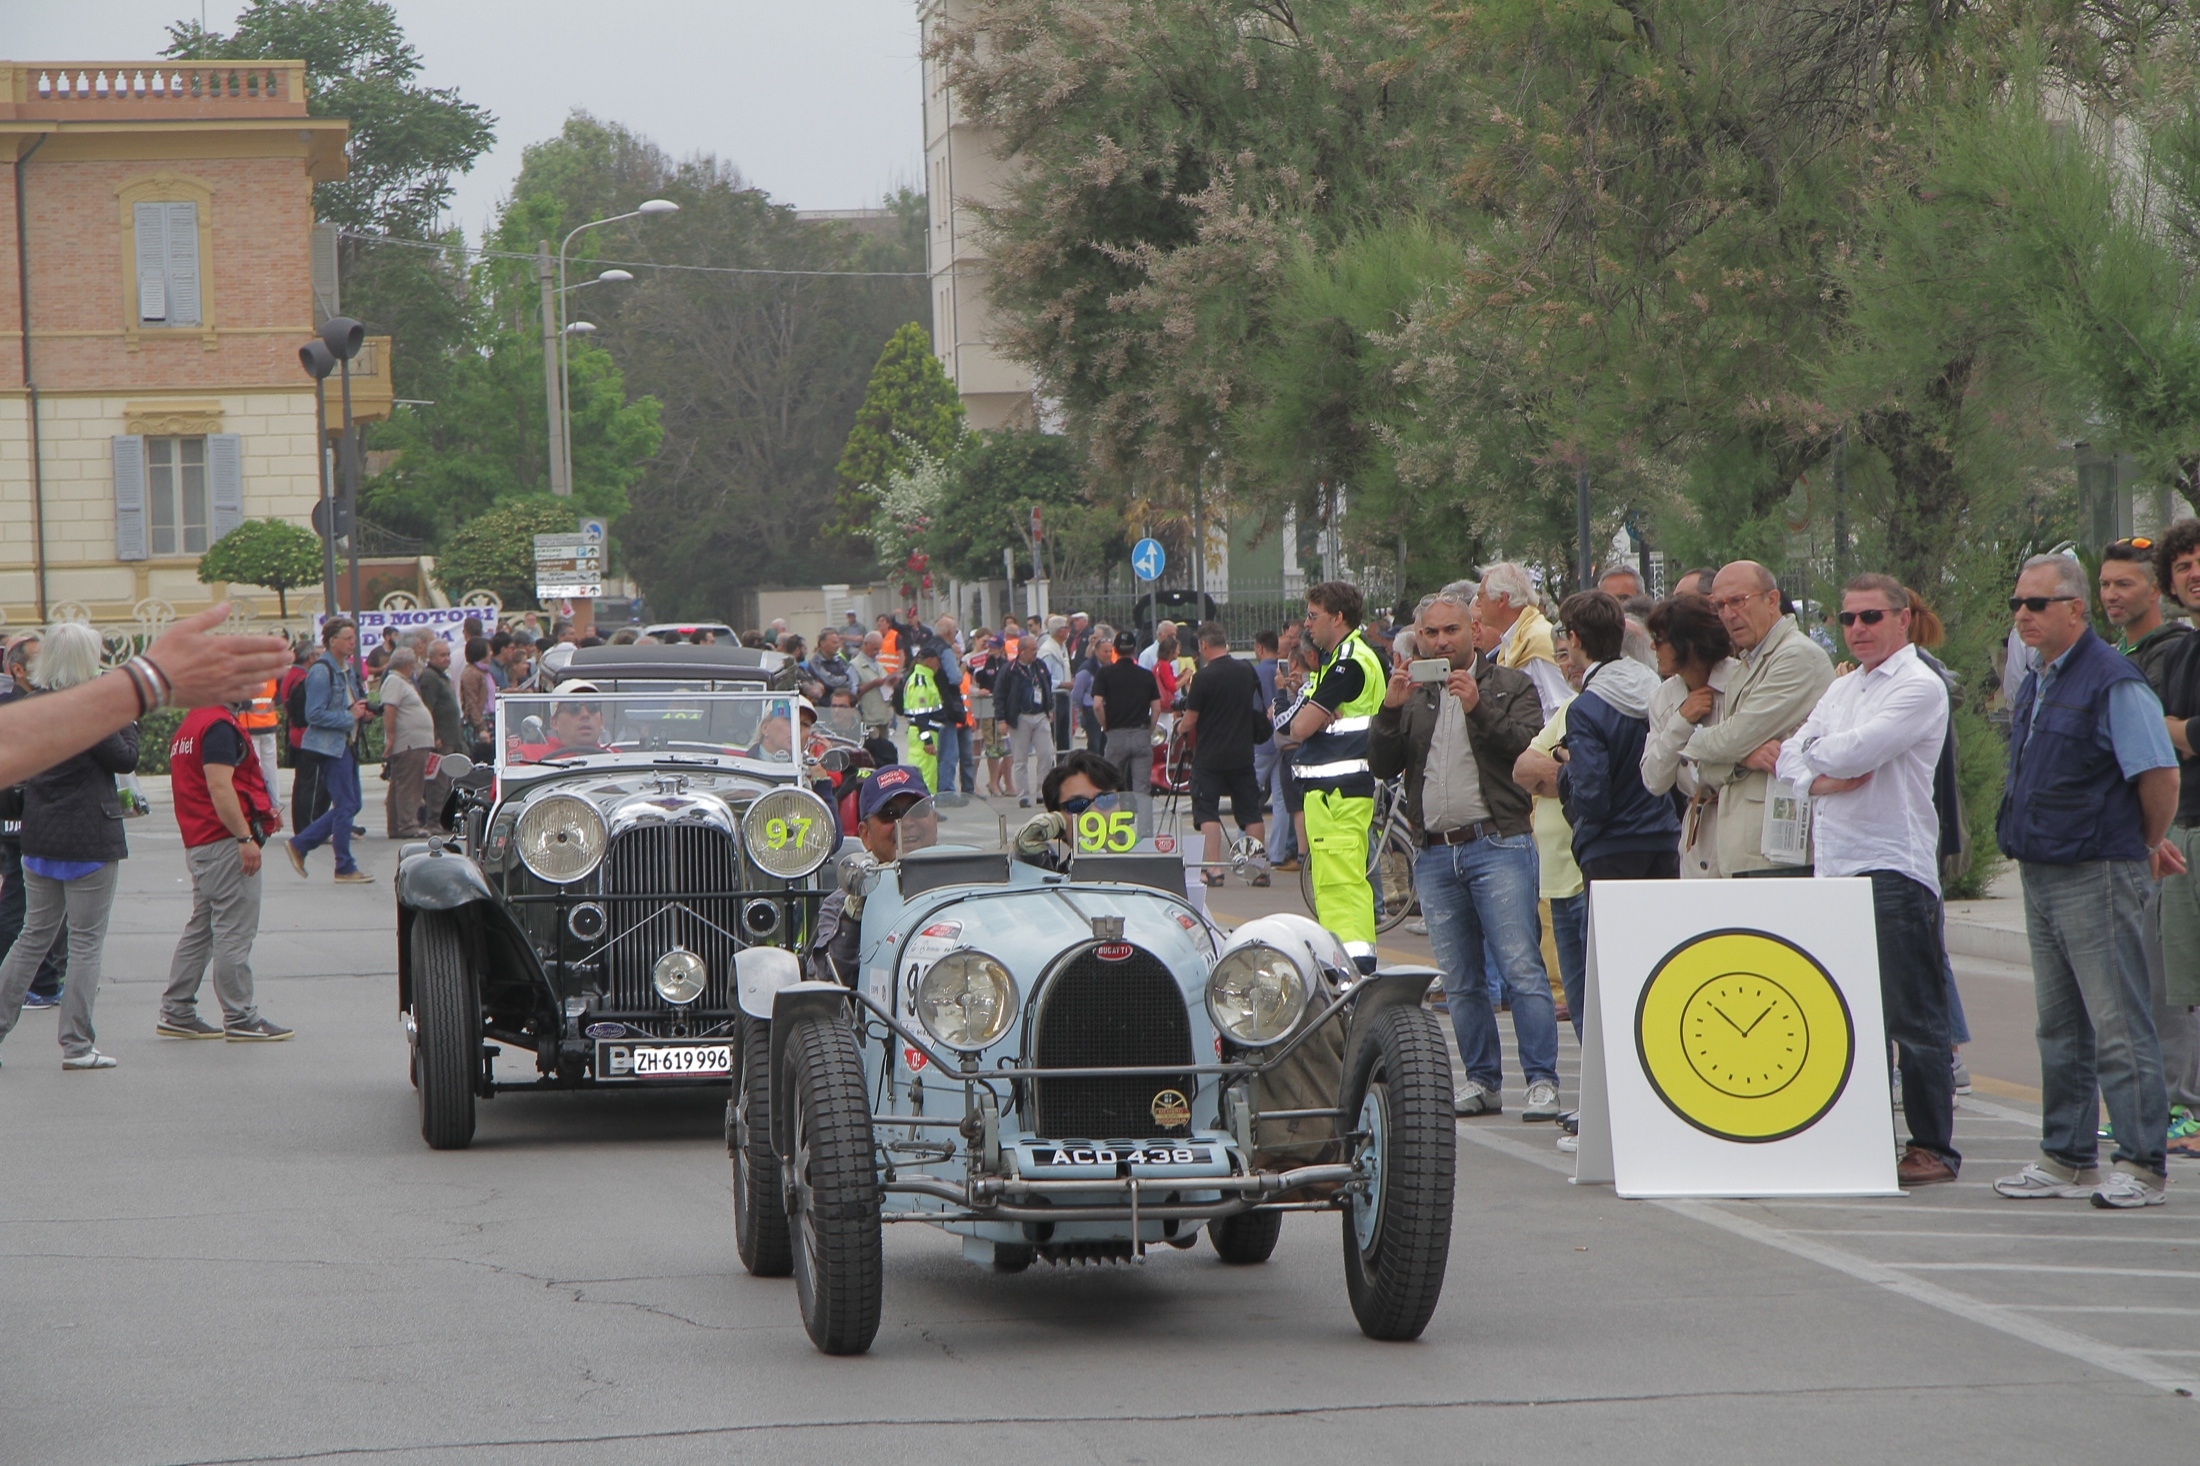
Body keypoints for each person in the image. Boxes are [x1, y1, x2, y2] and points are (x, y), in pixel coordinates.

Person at [1992, 553, 2182, 1209]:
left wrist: (2145, 844)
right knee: (2061, 1024)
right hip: (2042, 868)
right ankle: (2067, 1156)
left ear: (2075, 609)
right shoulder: (2039, 679)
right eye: (2018, 604)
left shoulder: (2111, 681)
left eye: (2036, 604)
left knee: (2118, 1022)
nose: (2023, 615)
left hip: (2095, 870)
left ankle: (2141, 1162)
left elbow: (2158, 774)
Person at [1775, 573, 1960, 1186]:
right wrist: (1819, 773)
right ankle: (1864, 1138)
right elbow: (1791, 756)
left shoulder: (1918, 685)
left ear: (1903, 619)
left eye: (1871, 617)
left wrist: (1819, 761)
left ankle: (1932, 1146)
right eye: (1849, 618)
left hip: (1891, 869)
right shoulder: (1845, 686)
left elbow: (1852, 752)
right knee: (1854, 1015)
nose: (1857, 629)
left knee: (1914, 1018)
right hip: (1835, 868)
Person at [1371, 585, 1553, 1118]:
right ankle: (1481, 1080)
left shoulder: (1510, 684)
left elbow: (1527, 750)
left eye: (1452, 630)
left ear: (1474, 633)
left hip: (1498, 842)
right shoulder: (1416, 695)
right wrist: (1388, 711)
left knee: (1521, 969)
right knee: (1459, 980)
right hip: (1434, 852)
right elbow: (1382, 766)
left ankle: (1542, 1080)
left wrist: (1477, 709)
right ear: (1419, 639)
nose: (1442, 641)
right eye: (1431, 633)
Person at [0, 623, 140, 1070]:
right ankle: (76, 1044)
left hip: (39, 832)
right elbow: (125, 758)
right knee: (84, 943)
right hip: (88, 837)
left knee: (32, 936)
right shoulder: (91, 708)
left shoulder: (31, 703)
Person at [1683, 560, 1836, 877]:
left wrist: (1695, 739)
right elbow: (1707, 770)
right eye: (1719, 606)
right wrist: (1743, 759)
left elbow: (1729, 739)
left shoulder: (1797, 656)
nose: (1727, 614)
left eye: (1737, 601)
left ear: (1771, 599)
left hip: (1779, 853)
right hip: (1745, 852)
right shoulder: (1745, 664)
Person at [159, 695, 291, 1042]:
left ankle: (177, 1010)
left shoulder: (193, 722)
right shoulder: (218, 726)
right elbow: (219, 785)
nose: (256, 685)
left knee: (202, 928)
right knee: (234, 930)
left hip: (202, 841)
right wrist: (244, 837)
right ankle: (240, 1016)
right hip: (223, 842)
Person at [1280, 581, 1389, 973]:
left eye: (1313, 615)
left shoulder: (1348, 662)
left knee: (1342, 885)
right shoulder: (1348, 657)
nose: (1306, 625)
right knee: (1334, 885)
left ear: (1337, 617)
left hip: (1339, 793)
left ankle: (1352, 970)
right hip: (1334, 794)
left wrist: (1312, 708)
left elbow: (1298, 728)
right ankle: (1344, 964)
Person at [1553, 590, 1681, 880]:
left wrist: (1567, 769)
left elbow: (1592, 798)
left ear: (1573, 639)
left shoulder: (1586, 707)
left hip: (1611, 846)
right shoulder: (1655, 686)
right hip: (1665, 836)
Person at [2146, 525, 2200, 1148]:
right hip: (2185, 831)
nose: (2191, 573)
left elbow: (2170, 734)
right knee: (2187, 987)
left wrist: (2173, 729)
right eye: (2182, 565)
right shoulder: (2183, 653)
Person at [1640, 595, 1737, 877]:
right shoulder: (1662, 697)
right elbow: (1654, 781)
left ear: (1689, 644)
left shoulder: (1741, 681)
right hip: (1695, 837)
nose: (1652, 647)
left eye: (1660, 639)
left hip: (1738, 825)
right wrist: (1680, 721)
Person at [809, 764, 931, 985]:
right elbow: (829, 977)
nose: (907, 823)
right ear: (865, 835)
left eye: (919, 809)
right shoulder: (839, 906)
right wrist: (854, 914)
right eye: (890, 814)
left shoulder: (965, 883)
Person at [0, 636, 67, 1010]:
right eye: (39, 661)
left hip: (28, 817)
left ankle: (41, 978)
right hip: (18, 817)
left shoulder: (30, 703)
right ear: (18, 670)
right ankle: (29, 981)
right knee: (22, 906)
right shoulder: (16, 708)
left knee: (36, 907)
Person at [1180, 622, 1273, 886]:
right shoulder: (1245, 670)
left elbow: (1190, 720)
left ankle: (1214, 870)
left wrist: (1181, 727)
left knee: (1208, 812)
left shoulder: (1203, 678)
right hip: (1242, 753)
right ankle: (1257, 869)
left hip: (1210, 756)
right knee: (1250, 813)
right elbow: (1258, 704)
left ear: (1204, 646)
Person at [285, 618, 372, 884]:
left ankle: (301, 844)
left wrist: (364, 713)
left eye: (353, 638)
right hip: (330, 747)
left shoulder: (346, 669)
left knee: (352, 803)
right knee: (346, 804)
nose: (352, 643)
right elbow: (314, 714)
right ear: (331, 640)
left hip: (346, 744)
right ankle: (343, 866)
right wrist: (349, 717)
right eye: (347, 638)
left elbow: (351, 704)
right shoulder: (322, 671)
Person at [1092, 629, 1164, 838]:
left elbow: (1097, 705)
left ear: (1114, 650)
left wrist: (1106, 726)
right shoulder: (1146, 675)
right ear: (1134, 650)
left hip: (1116, 734)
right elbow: (1157, 707)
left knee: (1112, 786)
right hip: (1141, 734)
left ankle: (1115, 833)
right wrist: (1149, 729)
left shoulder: (1104, 674)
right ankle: (1145, 834)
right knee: (1142, 789)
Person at [1476, 562, 1572, 717]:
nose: (1477, 603)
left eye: (1481, 596)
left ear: (1502, 599)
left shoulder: (1540, 639)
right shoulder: (1513, 641)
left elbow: (1564, 705)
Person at [379, 648, 437, 837]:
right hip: (409, 742)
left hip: (413, 741)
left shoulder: (401, 682)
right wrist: (391, 737)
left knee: (401, 783)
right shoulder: (395, 681)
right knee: (410, 785)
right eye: (413, 664)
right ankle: (407, 825)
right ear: (407, 665)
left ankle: (397, 825)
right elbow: (390, 709)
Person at [993, 633, 1056, 807]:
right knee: (1020, 758)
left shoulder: (1040, 666)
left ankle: (1042, 790)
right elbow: (999, 695)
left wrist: (1049, 707)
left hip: (1040, 715)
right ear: (1021, 652)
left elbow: (1047, 686)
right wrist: (1001, 719)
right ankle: (1023, 795)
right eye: (1032, 649)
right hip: (1020, 717)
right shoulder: (1009, 670)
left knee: (1046, 753)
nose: (1035, 652)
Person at [417, 638, 465, 827]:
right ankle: (434, 819)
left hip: (452, 737)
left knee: (448, 781)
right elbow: (427, 708)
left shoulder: (442, 677)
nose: (446, 659)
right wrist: (434, 735)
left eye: (447, 654)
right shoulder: (429, 677)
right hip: (441, 739)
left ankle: (444, 817)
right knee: (438, 782)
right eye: (442, 655)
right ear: (431, 657)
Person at [900, 641, 949, 796]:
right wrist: (927, 740)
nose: (939, 665)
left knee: (927, 771)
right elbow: (920, 713)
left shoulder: (924, 678)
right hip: (924, 734)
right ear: (930, 660)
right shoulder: (920, 681)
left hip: (925, 732)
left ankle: (926, 808)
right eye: (938, 661)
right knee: (925, 773)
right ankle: (924, 809)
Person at [239, 674, 283, 821]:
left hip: (249, 724)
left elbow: (238, 691)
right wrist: (275, 702)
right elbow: (283, 687)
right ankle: (275, 805)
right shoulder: (272, 669)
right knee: (271, 769)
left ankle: (259, 805)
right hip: (269, 723)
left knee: (255, 770)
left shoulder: (247, 668)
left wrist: (248, 705)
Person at [1039, 615, 1075, 754]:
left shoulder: (1062, 648)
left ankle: (1063, 764)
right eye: (1067, 627)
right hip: (1054, 698)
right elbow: (1044, 677)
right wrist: (1063, 683)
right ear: (1060, 631)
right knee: (1053, 735)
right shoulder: (1047, 651)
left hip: (1064, 697)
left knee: (1064, 737)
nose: (1069, 630)